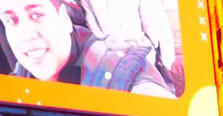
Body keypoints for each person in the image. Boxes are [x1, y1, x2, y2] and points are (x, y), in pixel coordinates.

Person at [0, 0, 176, 96]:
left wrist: (165, 60)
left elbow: (155, 24)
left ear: (64, 18)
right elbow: (91, 21)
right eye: (11, 21)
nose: (25, 34)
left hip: (132, 56)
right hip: (105, 46)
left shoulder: (132, 82)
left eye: (37, 15)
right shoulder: (21, 75)